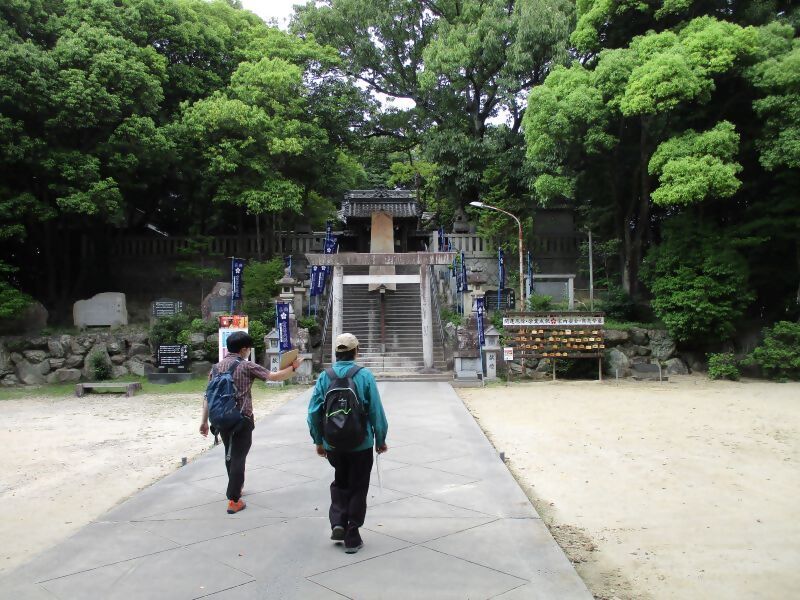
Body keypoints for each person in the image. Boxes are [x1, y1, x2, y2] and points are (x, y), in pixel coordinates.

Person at [200, 331, 302, 514]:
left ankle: (236, 487)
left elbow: (208, 395)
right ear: (244, 349)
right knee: (239, 456)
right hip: (242, 418)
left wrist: (204, 421)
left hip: (220, 418)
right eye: (248, 349)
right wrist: (293, 367)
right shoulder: (246, 365)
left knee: (230, 453)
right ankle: (234, 500)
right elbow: (274, 377)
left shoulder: (215, 368)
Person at [307, 333, 388, 554]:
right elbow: (375, 410)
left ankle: (338, 522)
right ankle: (352, 532)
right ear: (356, 352)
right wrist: (380, 439)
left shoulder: (325, 377)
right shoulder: (364, 375)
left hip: (333, 443)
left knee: (340, 481)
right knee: (358, 485)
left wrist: (318, 440)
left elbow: (313, 412)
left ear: (336, 352)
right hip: (361, 443)